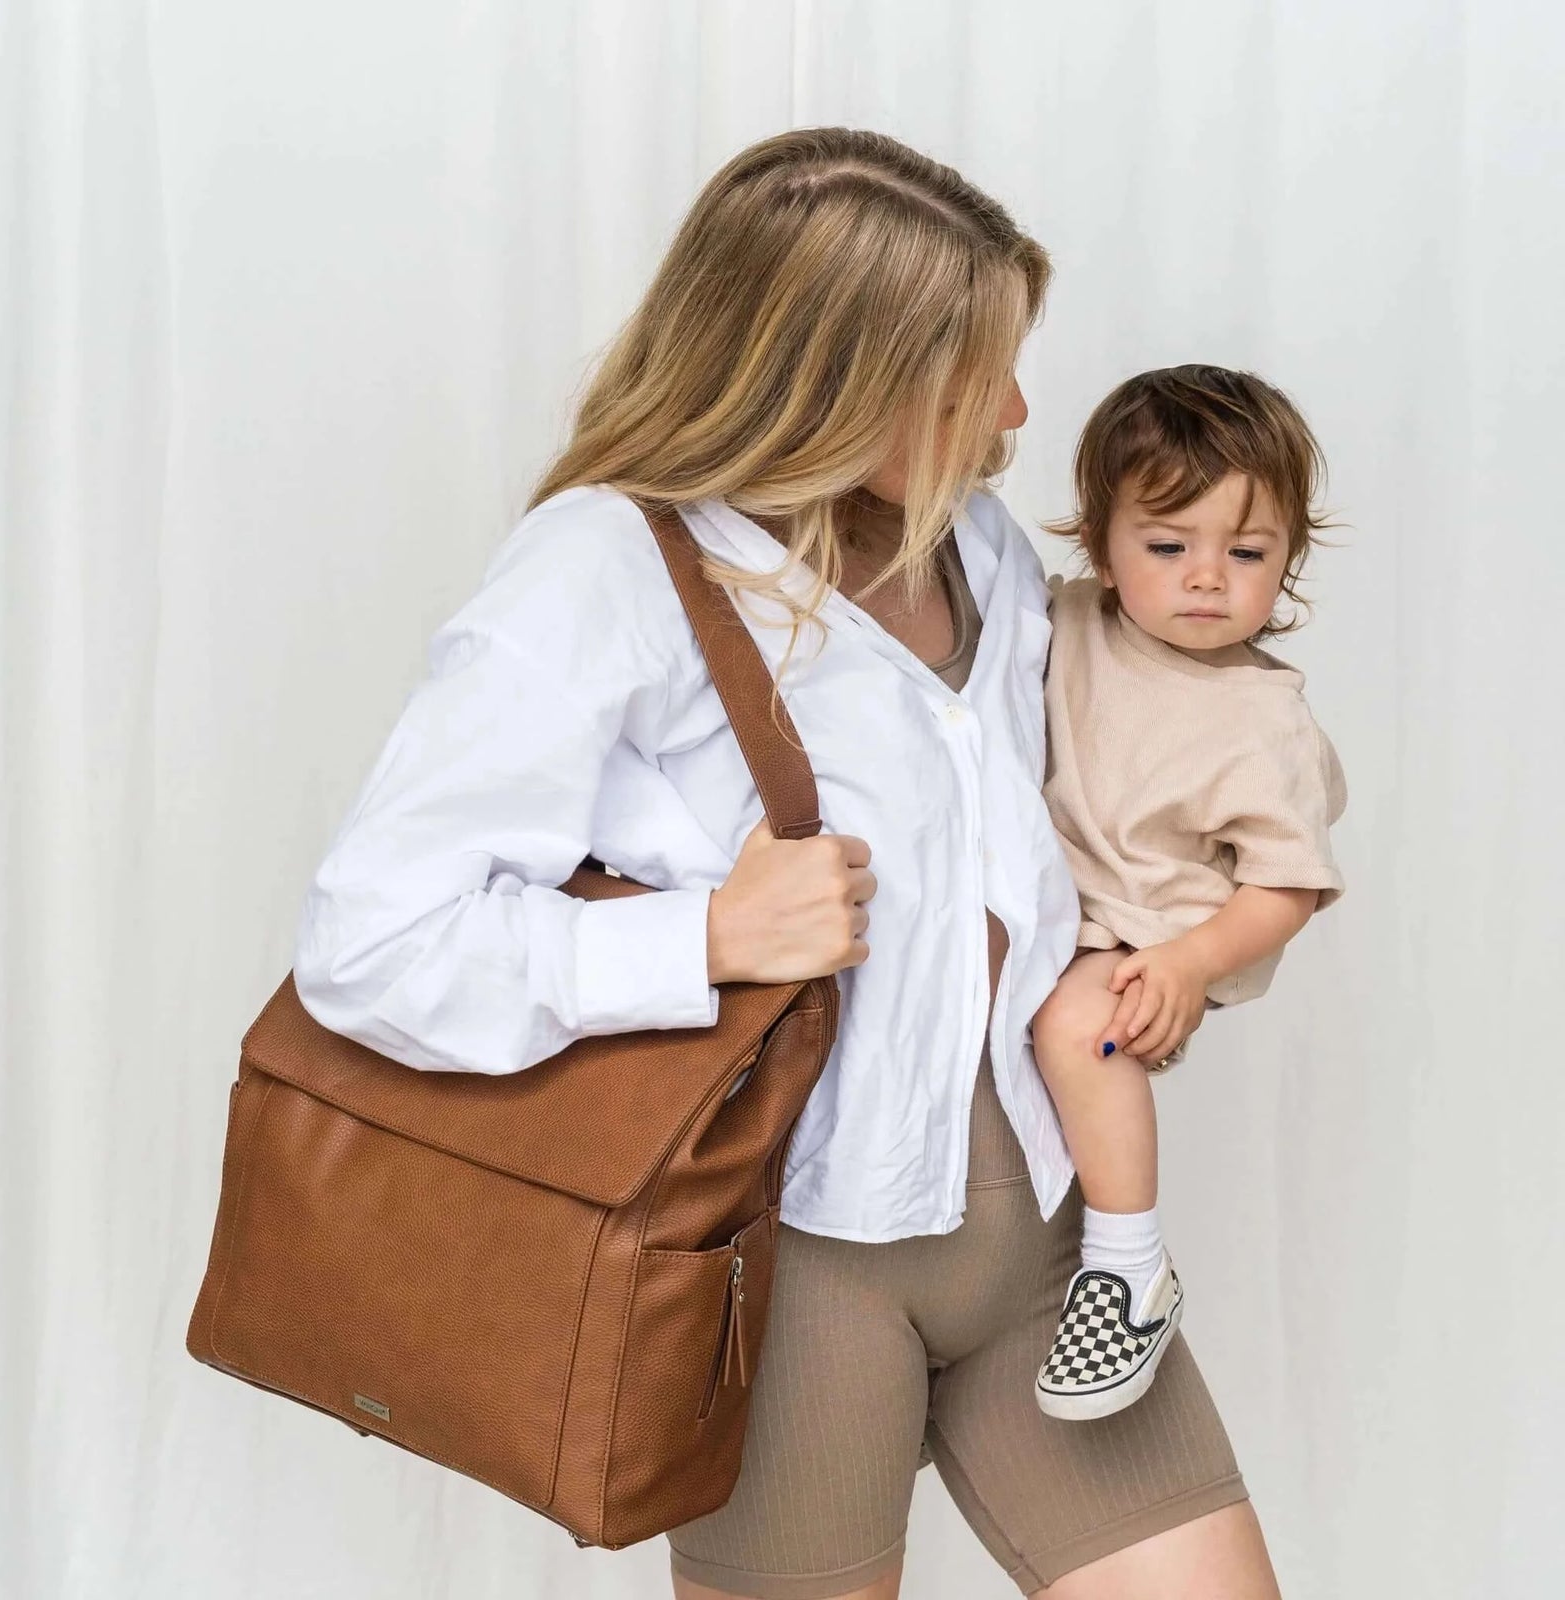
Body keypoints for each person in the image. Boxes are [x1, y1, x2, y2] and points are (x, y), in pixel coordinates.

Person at [293, 130, 1282, 1599]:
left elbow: (1060, 843)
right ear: (838, 378)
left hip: (1047, 1245)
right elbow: (369, 946)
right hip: (791, 1274)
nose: (1018, 412)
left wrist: (1186, 952)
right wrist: (703, 937)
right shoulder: (604, 569)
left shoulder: (981, 548)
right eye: (978, 375)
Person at [1028, 367, 1347, 1425]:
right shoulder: (1069, 619)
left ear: (1287, 558)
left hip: (1143, 936)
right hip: (1047, 903)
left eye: (1246, 554)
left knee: (1078, 1027)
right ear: (1100, 546)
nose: (1206, 578)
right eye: (1168, 546)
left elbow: (1285, 886)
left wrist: (1185, 963)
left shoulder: (1263, 719)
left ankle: (1129, 1266)